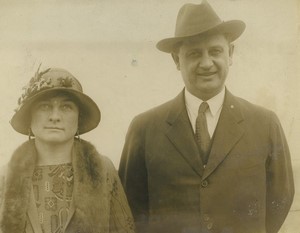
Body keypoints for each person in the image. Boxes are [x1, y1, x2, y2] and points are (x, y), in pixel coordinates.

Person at [118, 1, 294, 233]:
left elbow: (280, 199)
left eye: (215, 51)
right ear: (176, 60)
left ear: (230, 53)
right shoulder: (144, 128)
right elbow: (130, 207)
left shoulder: (265, 124)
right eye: (194, 53)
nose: (206, 63)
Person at [0, 67, 135, 233]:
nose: (55, 116)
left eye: (66, 107)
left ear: (79, 118)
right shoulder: (6, 177)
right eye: (44, 106)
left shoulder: (102, 170)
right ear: (29, 117)